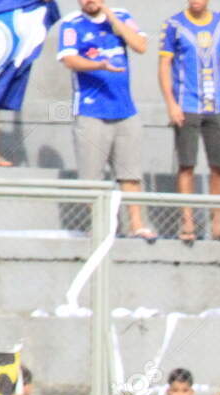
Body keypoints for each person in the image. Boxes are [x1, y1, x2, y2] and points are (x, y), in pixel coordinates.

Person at [58, 1, 154, 242]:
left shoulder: (121, 16)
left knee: (130, 173)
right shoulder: (72, 23)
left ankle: (137, 225)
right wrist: (98, 64)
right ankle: (103, 226)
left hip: (125, 109)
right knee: (91, 177)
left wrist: (112, 18)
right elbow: (69, 60)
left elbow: (141, 45)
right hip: (91, 110)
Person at [158, 0, 220, 243]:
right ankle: (187, 223)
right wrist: (171, 102)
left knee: (219, 166)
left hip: (216, 105)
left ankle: (218, 225)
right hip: (187, 105)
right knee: (187, 164)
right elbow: (164, 65)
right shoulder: (174, 24)